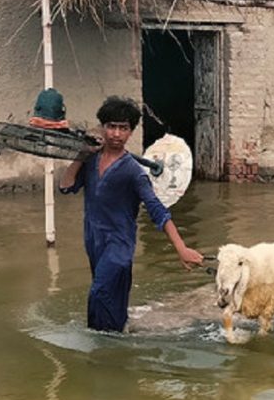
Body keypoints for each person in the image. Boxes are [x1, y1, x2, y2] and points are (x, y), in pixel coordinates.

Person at [59, 95, 204, 332]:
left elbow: (157, 210)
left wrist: (181, 248)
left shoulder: (133, 172)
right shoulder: (91, 161)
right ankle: (113, 346)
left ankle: (104, 347)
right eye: (111, 127)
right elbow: (65, 187)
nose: (116, 134)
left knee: (100, 293)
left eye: (123, 128)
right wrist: (81, 155)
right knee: (106, 306)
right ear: (103, 128)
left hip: (119, 246)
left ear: (131, 132)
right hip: (94, 241)